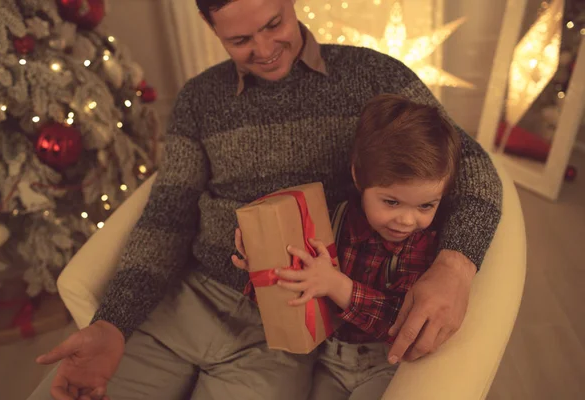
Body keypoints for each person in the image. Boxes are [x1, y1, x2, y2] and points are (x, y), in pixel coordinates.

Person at [28, 0, 502, 399]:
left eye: (274, 24)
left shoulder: (374, 76)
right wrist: (113, 323)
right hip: (186, 304)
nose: (265, 49)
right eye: (239, 40)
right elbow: (166, 218)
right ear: (212, 29)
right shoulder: (200, 100)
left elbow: (472, 167)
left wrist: (456, 266)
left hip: (287, 324)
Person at [232, 93, 462, 399]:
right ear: (358, 177)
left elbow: (398, 322)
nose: (407, 220)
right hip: (326, 357)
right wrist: (266, 265)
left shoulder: (421, 244)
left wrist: (336, 284)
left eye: (425, 206)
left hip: (385, 363)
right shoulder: (332, 221)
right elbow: (297, 296)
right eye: (391, 201)